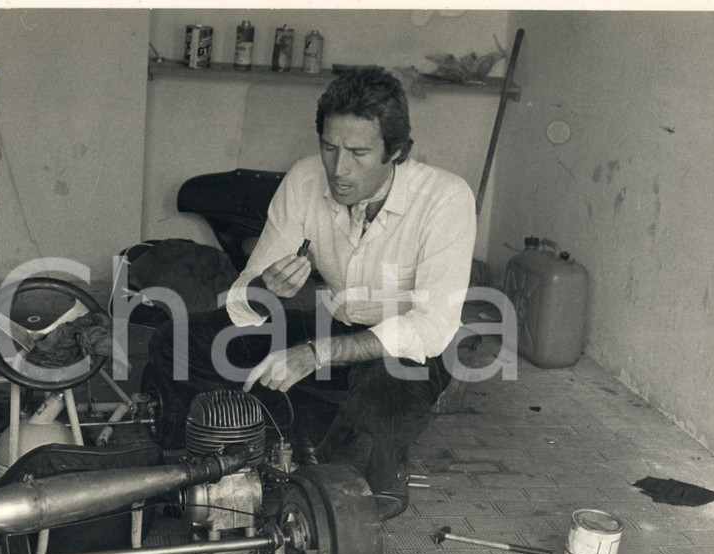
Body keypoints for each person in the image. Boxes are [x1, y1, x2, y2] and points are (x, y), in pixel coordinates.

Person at [146, 67, 476, 520]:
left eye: (359, 153)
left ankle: (367, 465)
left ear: (396, 152)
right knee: (178, 340)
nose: (339, 170)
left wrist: (314, 354)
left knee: (381, 399)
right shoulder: (304, 180)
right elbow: (245, 297)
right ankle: (216, 457)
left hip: (405, 351)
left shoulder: (445, 198)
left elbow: (433, 325)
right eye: (329, 148)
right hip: (336, 328)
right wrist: (266, 288)